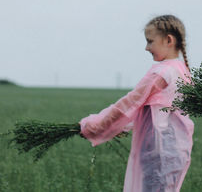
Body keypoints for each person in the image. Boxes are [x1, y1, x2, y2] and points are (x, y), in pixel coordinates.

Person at [79, 15, 194, 192]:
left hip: (158, 151)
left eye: (150, 41)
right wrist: (122, 127)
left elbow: (130, 103)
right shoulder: (181, 70)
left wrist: (95, 126)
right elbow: (156, 111)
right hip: (176, 150)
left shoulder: (162, 72)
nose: (147, 48)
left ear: (168, 40)